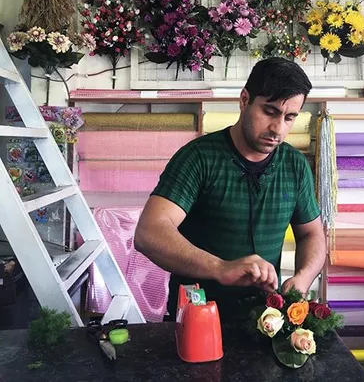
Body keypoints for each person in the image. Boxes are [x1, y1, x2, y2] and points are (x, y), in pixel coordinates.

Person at [134, 57, 326, 320]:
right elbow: (149, 233)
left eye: (289, 117)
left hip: (267, 319)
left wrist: (303, 278)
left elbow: (311, 234)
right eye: (269, 112)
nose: (278, 129)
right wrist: (220, 268)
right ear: (244, 99)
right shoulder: (199, 158)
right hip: (197, 313)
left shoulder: (294, 165)